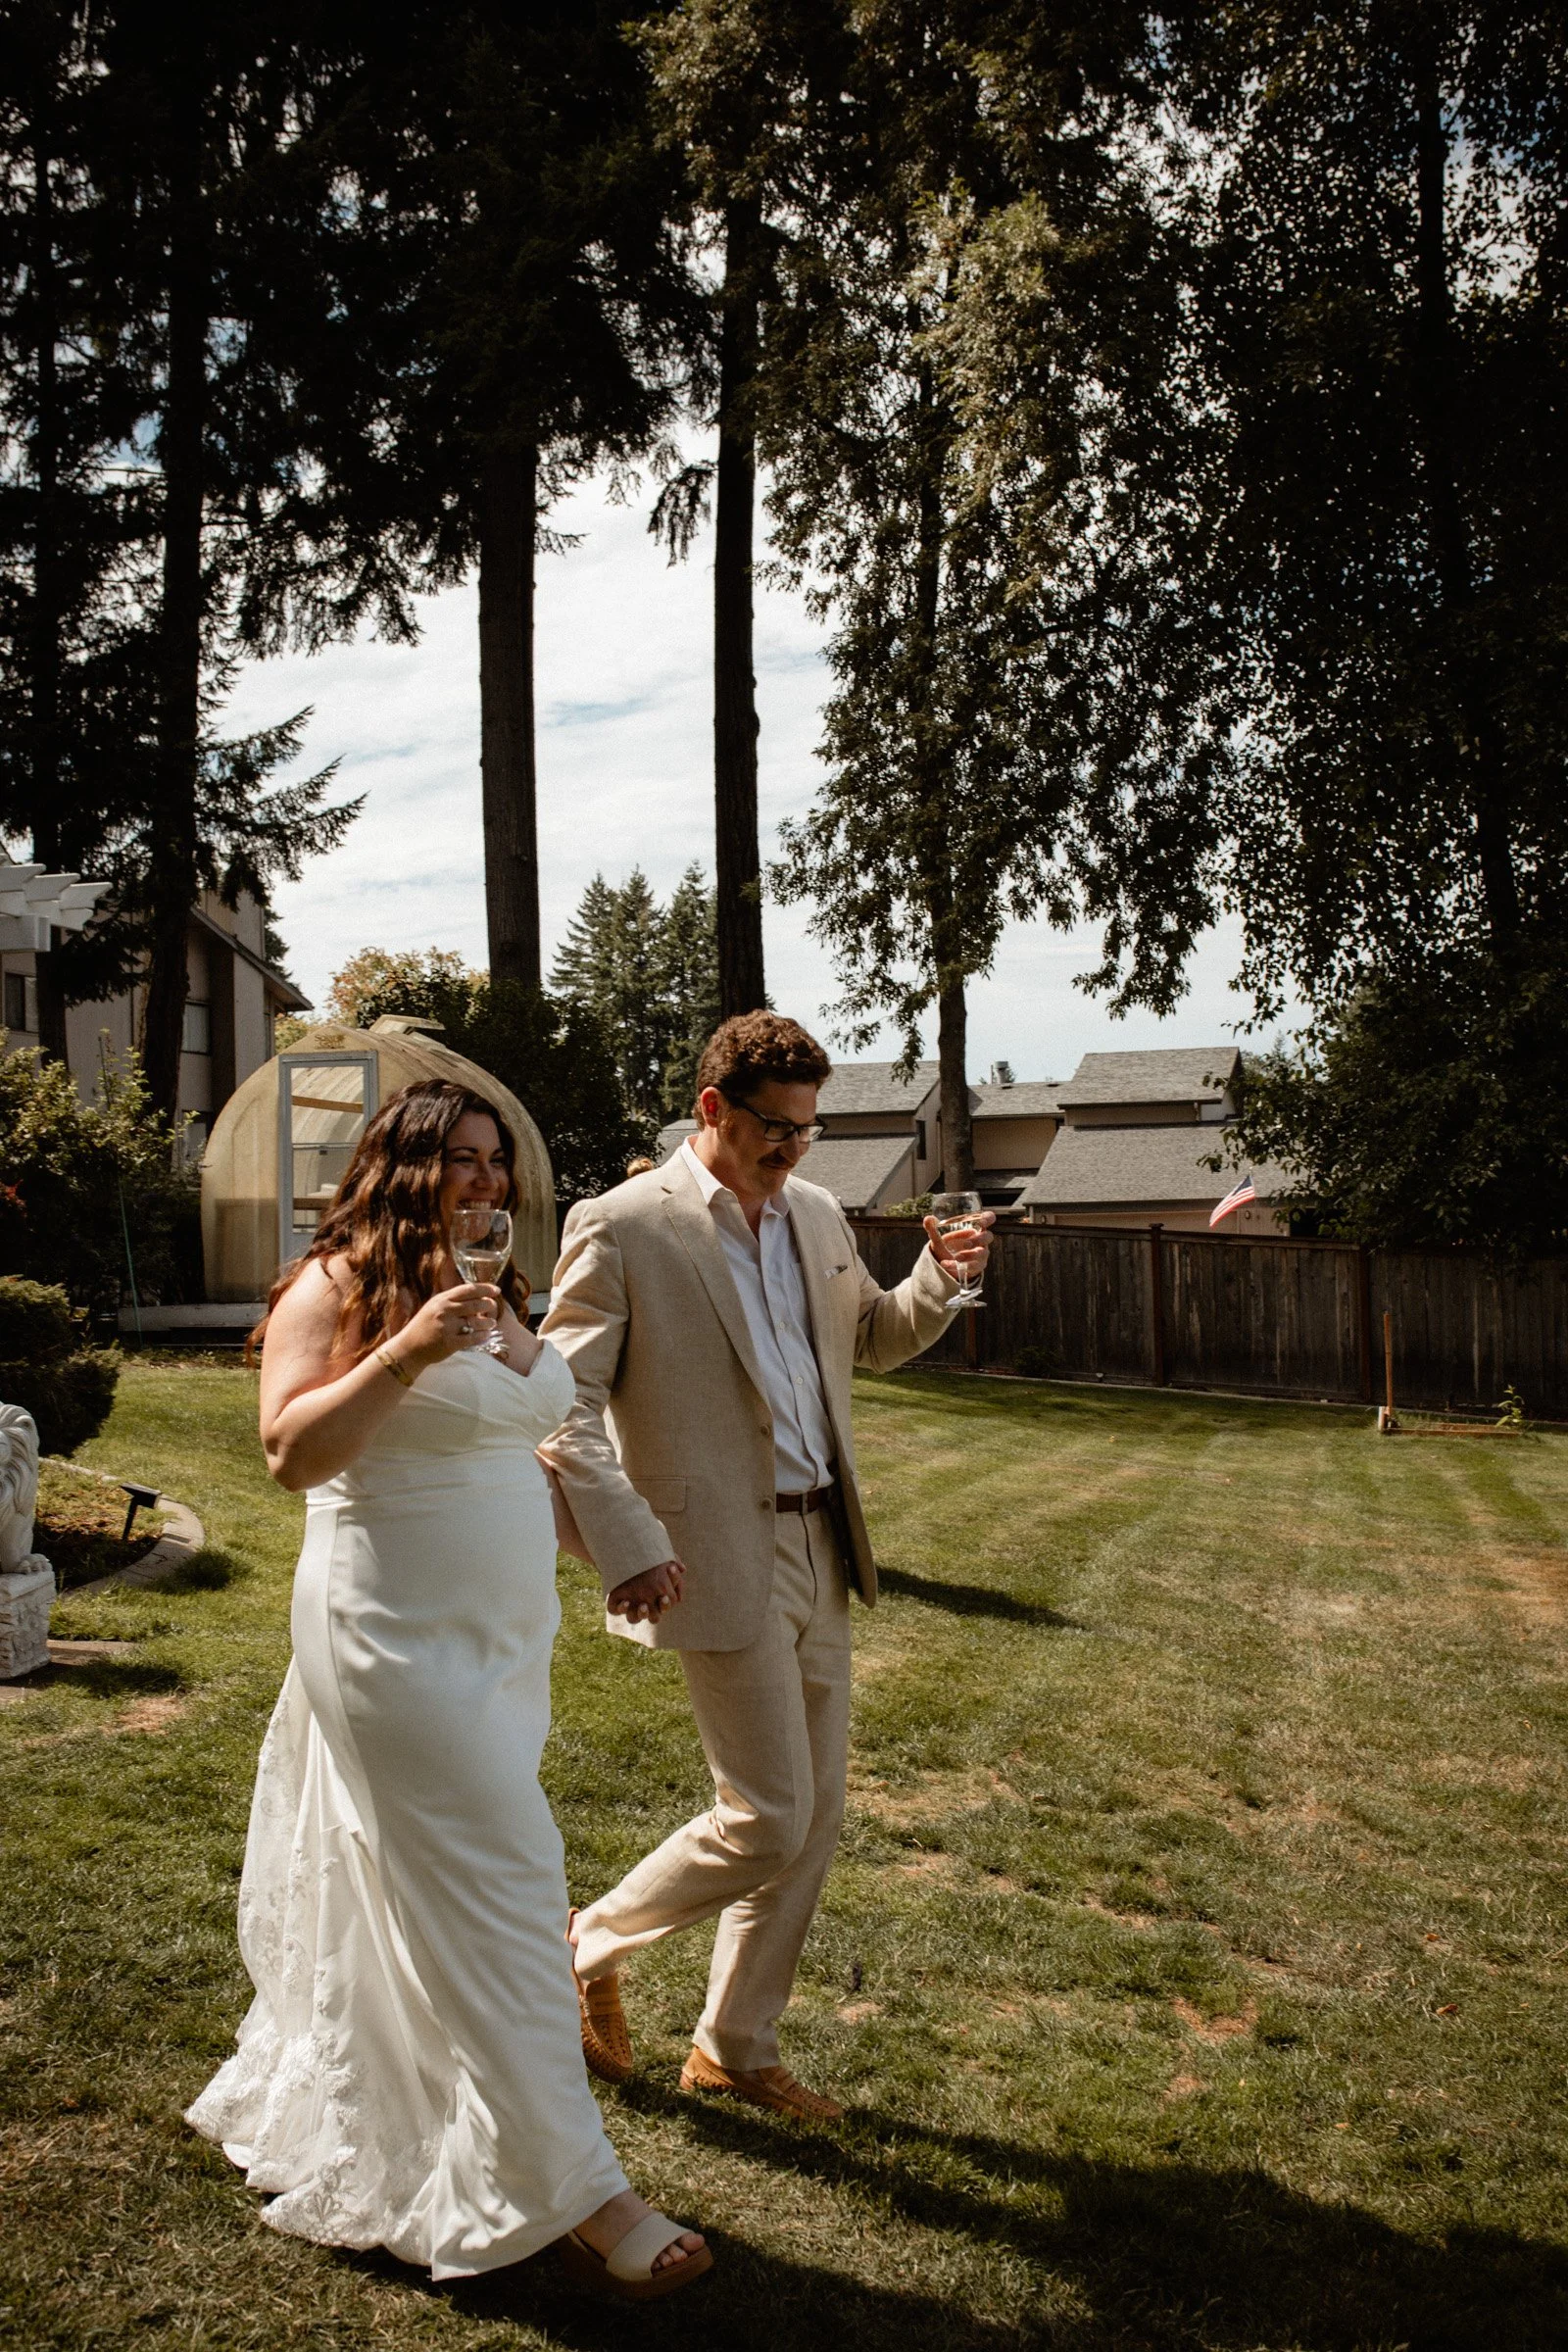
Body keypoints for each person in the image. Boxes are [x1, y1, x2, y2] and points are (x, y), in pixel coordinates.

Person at [186, 1080, 710, 2303]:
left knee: (431, 1896)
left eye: (495, 1163)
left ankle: (428, 2131)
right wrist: (409, 1348)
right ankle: (586, 2196)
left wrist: (611, 1544)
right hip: (388, 1638)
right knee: (512, 1891)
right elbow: (289, 1454)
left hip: (499, 1643)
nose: (485, 1182)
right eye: (460, 1160)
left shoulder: (496, 1295)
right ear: (402, 1162)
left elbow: (518, 1443)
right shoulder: (339, 1288)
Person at [541, 1013, 993, 2118]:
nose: (794, 1148)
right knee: (765, 1816)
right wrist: (630, 1538)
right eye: (772, 1128)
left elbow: (875, 1338)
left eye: (808, 1128)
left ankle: (734, 2045)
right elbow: (559, 1408)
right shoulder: (623, 1226)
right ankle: (578, 1951)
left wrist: (935, 1279)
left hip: (821, 1542)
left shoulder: (822, 1216)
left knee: (814, 1813)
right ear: (712, 1110)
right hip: (707, 1553)